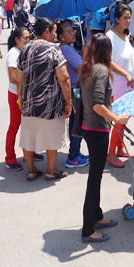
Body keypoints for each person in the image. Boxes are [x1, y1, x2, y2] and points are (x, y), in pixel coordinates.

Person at [79, 35, 131, 243]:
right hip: (97, 130)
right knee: (94, 179)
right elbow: (98, 105)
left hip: (89, 127)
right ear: (108, 52)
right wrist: (117, 118)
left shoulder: (89, 66)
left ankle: (97, 215)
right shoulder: (100, 71)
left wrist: (125, 73)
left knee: (97, 176)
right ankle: (87, 229)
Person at [16, 18, 72, 181]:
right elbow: (64, 77)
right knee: (51, 136)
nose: (55, 35)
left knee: (28, 136)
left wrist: (21, 99)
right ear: (46, 31)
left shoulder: (25, 49)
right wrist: (68, 102)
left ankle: (32, 170)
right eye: (54, 31)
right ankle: (51, 170)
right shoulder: (53, 49)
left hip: (28, 103)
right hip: (50, 104)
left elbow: (18, 78)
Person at [106, 4, 134, 168]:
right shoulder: (110, 37)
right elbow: (108, 61)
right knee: (119, 119)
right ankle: (111, 153)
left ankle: (119, 147)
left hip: (129, 84)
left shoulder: (127, 35)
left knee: (125, 118)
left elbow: (132, 54)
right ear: (117, 19)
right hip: (117, 84)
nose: (128, 20)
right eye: (125, 17)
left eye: (129, 17)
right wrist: (125, 73)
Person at [57, 19, 89, 168]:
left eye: (73, 31)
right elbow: (82, 68)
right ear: (61, 36)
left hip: (74, 88)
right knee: (78, 123)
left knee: (76, 122)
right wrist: (87, 55)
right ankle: (73, 156)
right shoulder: (67, 49)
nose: (72, 34)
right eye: (68, 32)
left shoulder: (66, 48)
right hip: (76, 90)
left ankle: (75, 152)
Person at [4, 27, 30, 171]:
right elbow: (13, 78)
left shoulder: (21, 52)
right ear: (17, 39)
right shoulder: (13, 54)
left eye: (29, 37)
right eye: (25, 38)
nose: (28, 40)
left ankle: (30, 152)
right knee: (14, 126)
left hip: (23, 94)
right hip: (16, 95)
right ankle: (10, 158)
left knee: (27, 125)